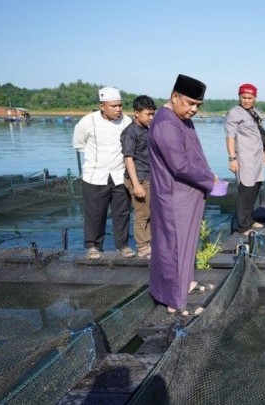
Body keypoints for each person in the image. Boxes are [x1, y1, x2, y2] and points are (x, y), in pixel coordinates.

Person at [148, 74, 218, 316]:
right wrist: (209, 180)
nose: (193, 109)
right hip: (174, 197)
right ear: (174, 96)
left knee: (187, 244)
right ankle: (174, 301)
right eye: (189, 103)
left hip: (190, 193)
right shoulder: (166, 123)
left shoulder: (182, 118)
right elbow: (179, 165)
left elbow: (194, 154)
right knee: (173, 247)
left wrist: (209, 174)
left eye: (198, 105)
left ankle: (184, 283)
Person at [73, 87, 136, 260]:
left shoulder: (126, 121)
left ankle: (123, 245)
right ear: (102, 106)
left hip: (119, 175)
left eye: (120, 105)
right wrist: (95, 160)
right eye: (114, 106)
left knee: (122, 212)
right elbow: (79, 144)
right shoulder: (88, 121)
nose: (118, 109)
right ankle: (93, 246)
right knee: (95, 213)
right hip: (95, 175)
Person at [225, 83, 265, 235]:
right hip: (244, 158)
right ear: (239, 97)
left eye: (250, 98)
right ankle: (242, 225)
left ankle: (250, 219)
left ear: (255, 98)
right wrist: (232, 158)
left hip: (257, 157)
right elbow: (230, 136)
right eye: (243, 97)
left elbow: (263, 135)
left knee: (255, 188)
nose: (246, 100)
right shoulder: (234, 113)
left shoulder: (257, 112)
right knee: (245, 190)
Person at [121, 95, 156, 259]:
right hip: (139, 178)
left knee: (149, 212)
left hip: (148, 177)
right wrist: (136, 185)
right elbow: (128, 158)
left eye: (152, 114)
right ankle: (142, 247)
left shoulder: (146, 129)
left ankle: (148, 244)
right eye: (148, 114)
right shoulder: (130, 132)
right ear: (136, 113)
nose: (151, 117)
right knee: (142, 214)